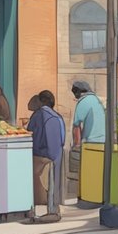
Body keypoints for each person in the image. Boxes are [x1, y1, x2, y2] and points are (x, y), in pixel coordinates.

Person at [26, 91, 66, 223]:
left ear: (41, 101)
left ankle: (32, 208)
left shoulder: (38, 115)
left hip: (40, 155)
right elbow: (62, 139)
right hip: (56, 156)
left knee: (27, 173)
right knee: (53, 182)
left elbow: (30, 134)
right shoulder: (58, 117)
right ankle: (53, 209)